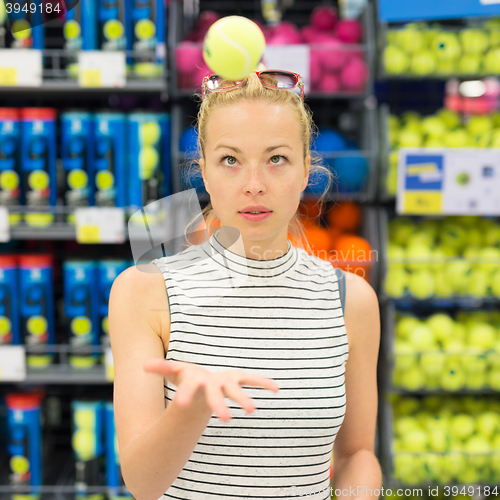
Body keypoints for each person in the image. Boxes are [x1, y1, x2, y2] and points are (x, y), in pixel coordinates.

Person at [109, 70, 382, 500]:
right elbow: (142, 484)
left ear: (308, 167)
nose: (254, 184)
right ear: (203, 170)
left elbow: (357, 454)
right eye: (230, 160)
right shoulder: (145, 292)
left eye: (276, 159)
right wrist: (190, 408)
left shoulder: (351, 300)